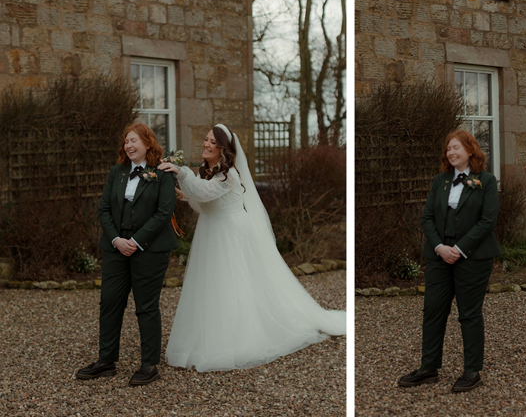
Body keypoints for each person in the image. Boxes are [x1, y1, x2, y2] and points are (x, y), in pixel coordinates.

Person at [159, 124, 346, 371]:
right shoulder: (209, 171)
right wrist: (183, 195)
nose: (206, 144)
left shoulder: (230, 175)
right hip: (212, 231)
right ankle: (210, 335)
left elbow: (205, 192)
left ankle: (238, 340)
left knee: (233, 284)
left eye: (212, 142)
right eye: (206, 139)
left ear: (224, 148)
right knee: (212, 285)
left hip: (230, 233)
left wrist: (181, 173)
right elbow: (202, 204)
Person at [398, 130, 500, 393]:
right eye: (448, 149)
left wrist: (460, 248)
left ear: (470, 150)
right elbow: (427, 218)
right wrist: (440, 247)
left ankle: (471, 372)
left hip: (473, 257)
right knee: (433, 310)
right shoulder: (440, 181)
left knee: (469, 313)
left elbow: (488, 220)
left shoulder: (486, 181)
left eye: (456, 148)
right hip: (439, 255)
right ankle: (429, 367)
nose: (451, 153)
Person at [77, 123, 178, 385]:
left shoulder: (163, 174)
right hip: (116, 247)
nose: (128, 146)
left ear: (147, 143)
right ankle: (106, 361)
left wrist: (135, 241)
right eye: (126, 142)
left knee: (146, 307)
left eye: (134, 141)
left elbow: (164, 213)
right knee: (109, 303)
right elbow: (104, 209)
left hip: (150, 249)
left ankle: (149, 366)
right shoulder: (116, 172)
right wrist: (117, 240)